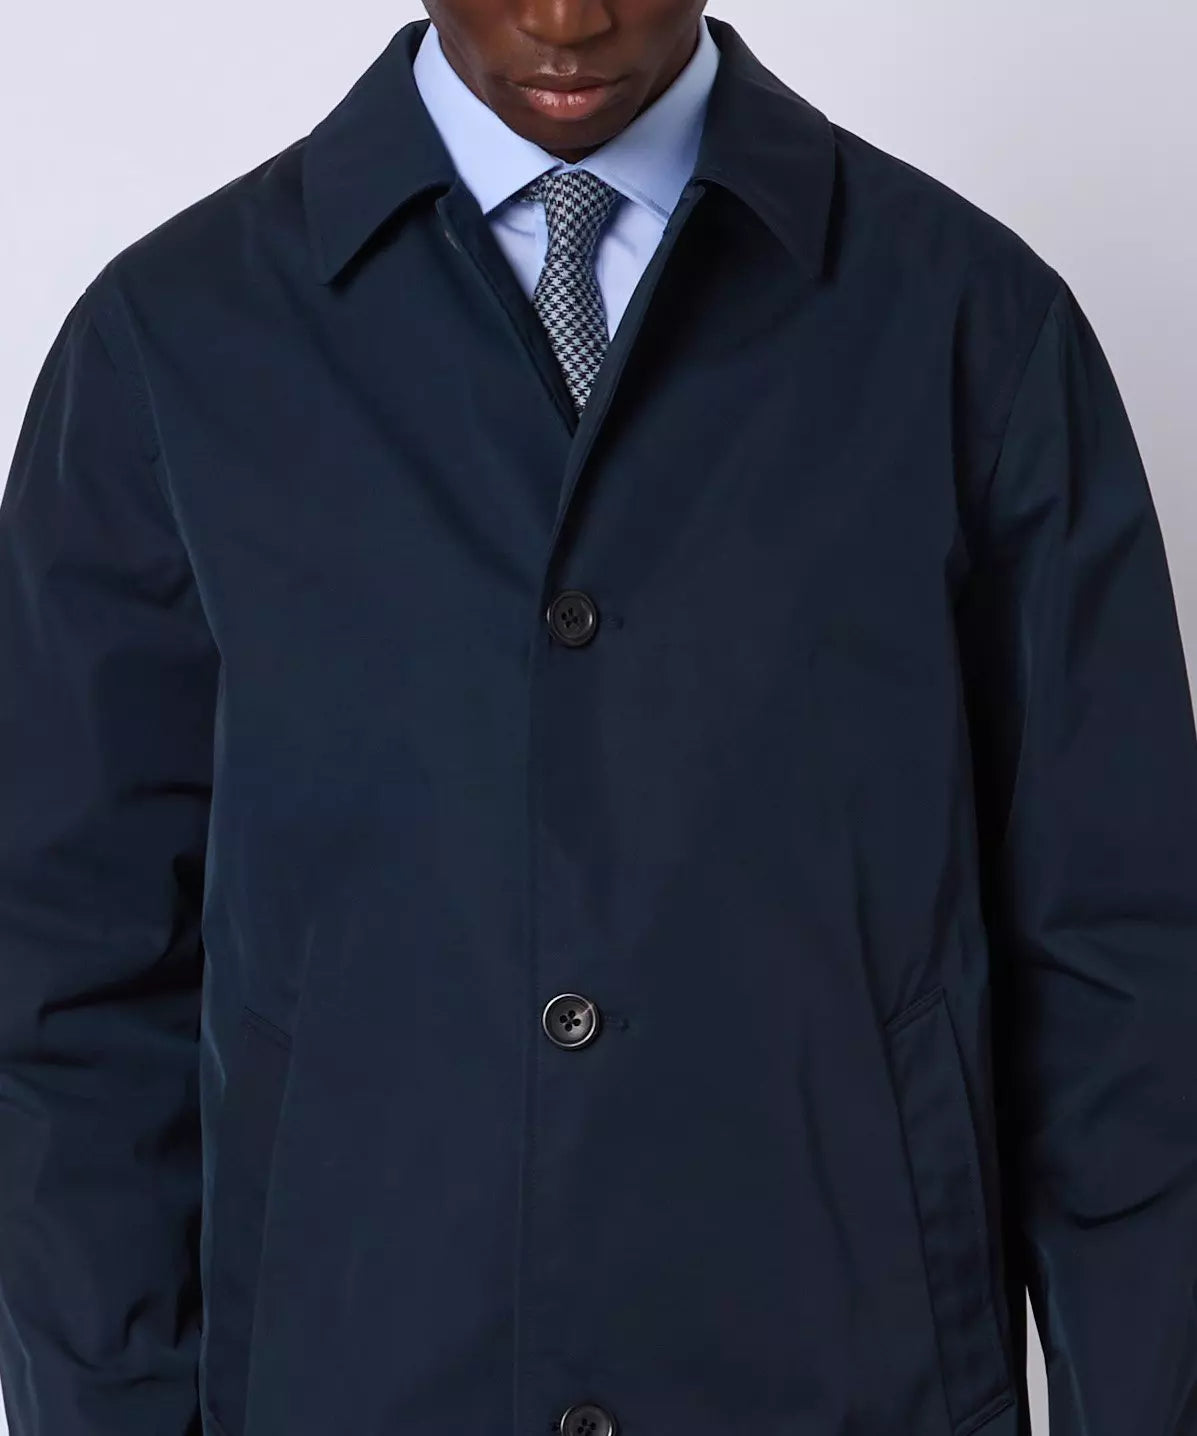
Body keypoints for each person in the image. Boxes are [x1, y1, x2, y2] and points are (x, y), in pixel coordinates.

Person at [1, 3, 1194, 1434]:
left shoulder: (969, 326)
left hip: (843, 1383)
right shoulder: (174, 343)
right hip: (359, 1384)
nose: (567, 19)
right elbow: (65, 970)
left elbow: (1123, 967)